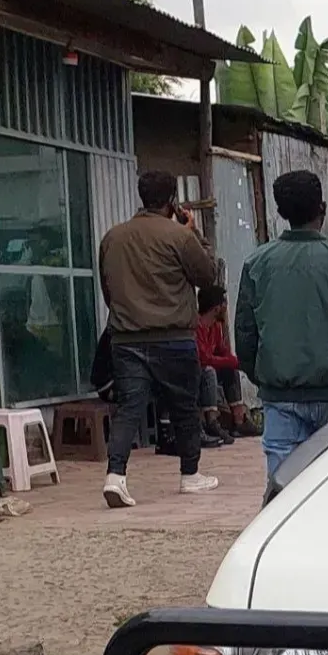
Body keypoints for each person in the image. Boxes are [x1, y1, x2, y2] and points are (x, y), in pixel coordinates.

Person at [97, 170, 221, 506]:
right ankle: (190, 475)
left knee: (129, 408)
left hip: (125, 338)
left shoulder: (113, 237)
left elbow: (108, 290)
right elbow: (208, 275)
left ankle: (116, 476)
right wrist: (195, 234)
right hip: (174, 337)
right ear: (171, 201)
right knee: (184, 407)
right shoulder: (179, 237)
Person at [235, 170, 328, 481]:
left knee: (283, 487)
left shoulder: (257, 263)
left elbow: (245, 334)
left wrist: (264, 376)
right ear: (322, 209)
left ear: (280, 213)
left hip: (280, 396)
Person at [196, 284, 247, 440]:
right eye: (224, 303)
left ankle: (239, 420)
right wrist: (231, 361)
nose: (226, 306)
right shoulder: (196, 326)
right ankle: (211, 420)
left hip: (209, 366)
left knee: (230, 370)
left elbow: (222, 352)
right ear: (216, 307)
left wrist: (236, 363)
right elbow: (204, 358)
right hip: (197, 369)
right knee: (210, 371)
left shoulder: (216, 327)